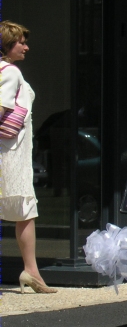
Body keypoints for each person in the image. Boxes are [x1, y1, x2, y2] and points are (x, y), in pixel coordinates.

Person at [0, 21, 57, 294]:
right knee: (25, 212)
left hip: (9, 151)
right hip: (9, 153)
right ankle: (31, 272)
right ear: (7, 46)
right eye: (20, 42)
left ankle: (31, 272)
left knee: (23, 212)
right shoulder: (10, 72)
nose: (26, 46)